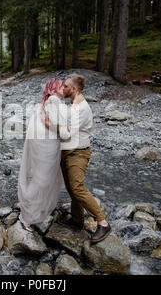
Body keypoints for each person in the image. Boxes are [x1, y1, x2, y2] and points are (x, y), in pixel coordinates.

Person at [45, 74, 111, 243]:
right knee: (71, 188)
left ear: (73, 89)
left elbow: (68, 132)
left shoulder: (82, 108)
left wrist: (48, 124)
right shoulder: (71, 103)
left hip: (78, 152)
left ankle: (102, 222)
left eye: (66, 86)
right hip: (66, 151)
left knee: (77, 187)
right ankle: (77, 220)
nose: (63, 88)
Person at [17, 78, 70, 232]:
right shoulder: (54, 100)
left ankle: (33, 209)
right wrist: (66, 132)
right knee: (43, 179)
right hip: (47, 145)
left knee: (40, 176)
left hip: (42, 142)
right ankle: (28, 216)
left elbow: (45, 121)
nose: (64, 88)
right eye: (62, 86)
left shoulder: (47, 101)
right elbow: (52, 124)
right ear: (54, 88)